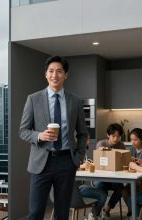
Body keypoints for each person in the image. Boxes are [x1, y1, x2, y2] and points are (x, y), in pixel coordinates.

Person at [19, 55, 88, 220]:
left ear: (66, 75)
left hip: (66, 162)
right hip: (41, 162)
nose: (54, 75)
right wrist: (40, 135)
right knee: (35, 212)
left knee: (62, 212)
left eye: (59, 71)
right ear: (46, 74)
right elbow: (23, 131)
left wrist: (77, 158)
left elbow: (83, 133)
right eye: (51, 71)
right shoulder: (33, 99)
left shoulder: (76, 101)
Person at [94, 123, 125, 218]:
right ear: (108, 135)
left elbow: (123, 163)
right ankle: (95, 213)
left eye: (118, 136)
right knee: (101, 191)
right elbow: (97, 163)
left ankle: (107, 209)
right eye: (113, 136)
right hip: (102, 178)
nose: (116, 139)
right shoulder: (101, 144)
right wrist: (100, 152)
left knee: (121, 190)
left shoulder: (121, 145)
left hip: (115, 178)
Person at [122, 128, 142, 216]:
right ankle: (133, 211)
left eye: (135, 140)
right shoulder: (131, 149)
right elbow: (128, 164)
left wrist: (140, 179)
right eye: (131, 140)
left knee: (133, 192)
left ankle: (137, 213)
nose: (133, 142)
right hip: (134, 180)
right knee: (124, 191)